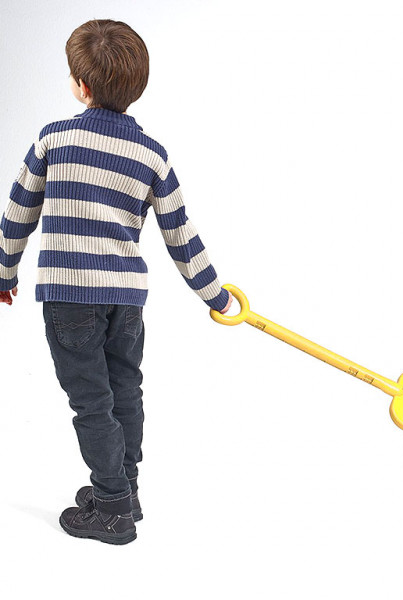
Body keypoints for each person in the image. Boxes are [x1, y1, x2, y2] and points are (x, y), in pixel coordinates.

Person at [0, 19, 232, 545]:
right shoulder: (152, 155)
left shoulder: (54, 139)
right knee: (125, 389)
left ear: (81, 85)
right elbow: (181, 234)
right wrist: (215, 294)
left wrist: (3, 272)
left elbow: (18, 213)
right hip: (126, 301)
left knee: (91, 400)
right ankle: (126, 488)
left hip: (70, 298)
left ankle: (110, 509)